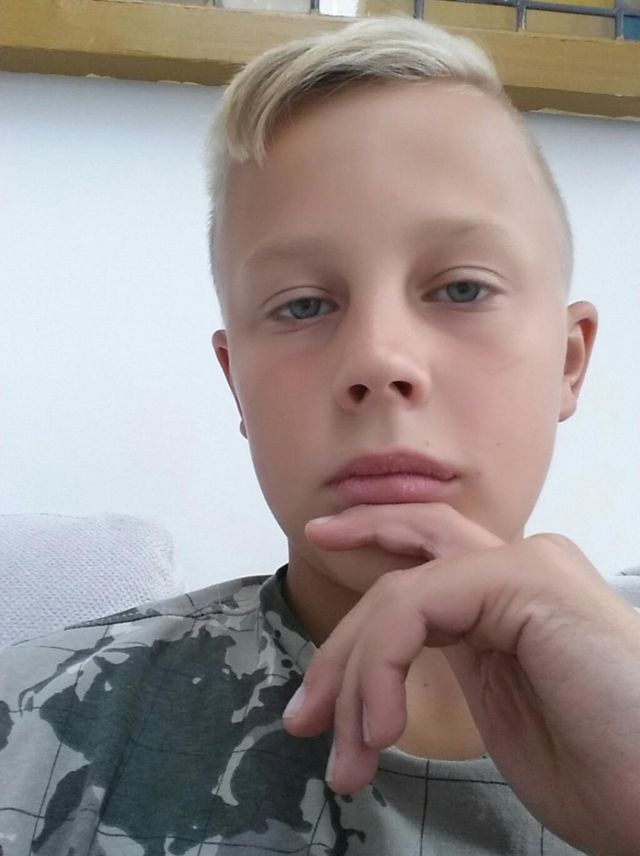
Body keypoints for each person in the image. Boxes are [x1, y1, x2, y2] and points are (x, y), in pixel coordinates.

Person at [1, 14, 639, 856]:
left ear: (569, 360)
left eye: (462, 289)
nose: (378, 359)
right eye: (303, 304)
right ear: (237, 383)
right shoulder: (40, 721)